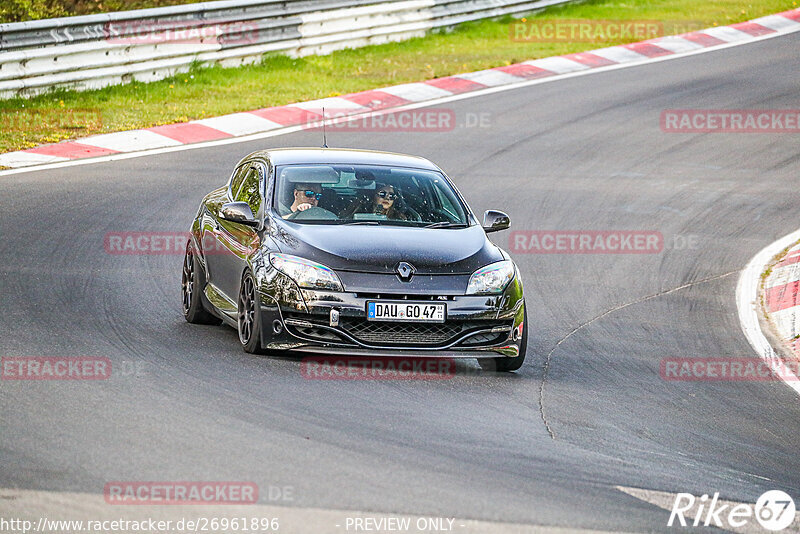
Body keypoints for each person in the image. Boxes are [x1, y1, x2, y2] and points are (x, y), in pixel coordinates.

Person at [341, 183, 410, 220]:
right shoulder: (358, 210)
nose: (387, 198)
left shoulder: (399, 218)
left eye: (391, 196)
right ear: (373, 195)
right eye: (382, 194)